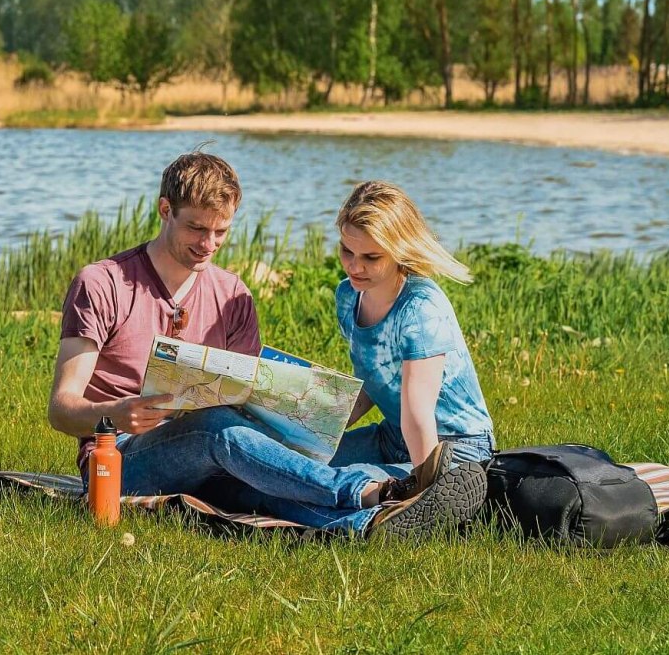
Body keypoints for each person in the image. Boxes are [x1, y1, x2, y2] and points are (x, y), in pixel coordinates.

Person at [48, 156, 484, 537]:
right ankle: (368, 490)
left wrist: (304, 410)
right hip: (120, 459)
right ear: (165, 210)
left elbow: (250, 401)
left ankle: (367, 525)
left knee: (264, 481)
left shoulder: (232, 295)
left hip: (218, 452)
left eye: (220, 232)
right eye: (196, 228)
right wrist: (115, 414)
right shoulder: (103, 284)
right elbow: (62, 408)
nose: (208, 244)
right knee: (217, 425)